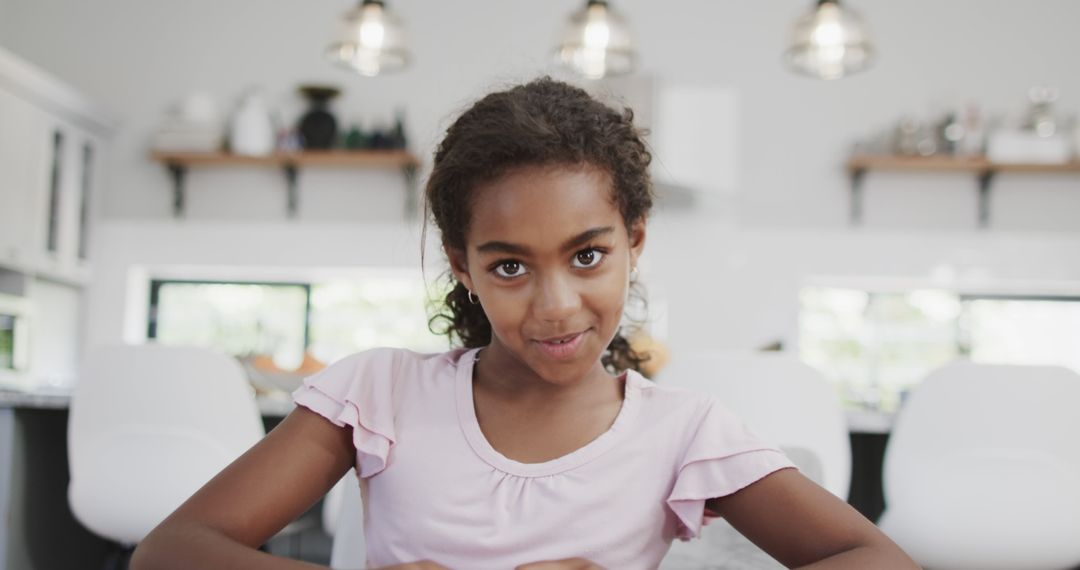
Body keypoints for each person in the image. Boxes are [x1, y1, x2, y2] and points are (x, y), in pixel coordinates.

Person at [132, 78, 917, 570]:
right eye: (509, 266)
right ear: (462, 265)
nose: (554, 306)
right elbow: (170, 551)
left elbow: (874, 557)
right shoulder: (377, 393)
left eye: (587, 256)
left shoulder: (687, 432)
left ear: (633, 241)